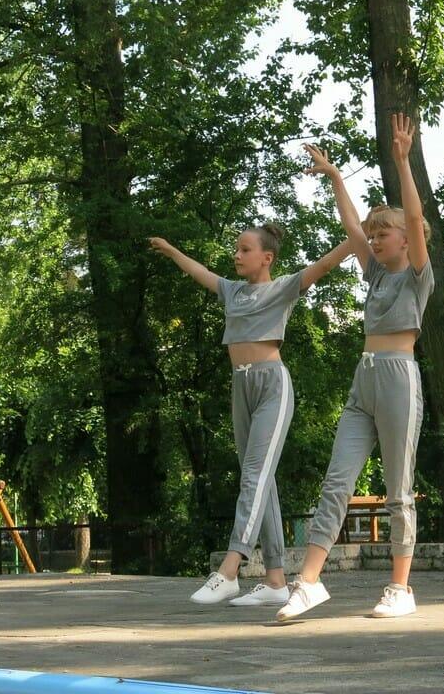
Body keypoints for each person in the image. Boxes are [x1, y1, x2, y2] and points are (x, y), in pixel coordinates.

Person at [277, 113, 433, 621]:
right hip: (364, 379)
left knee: (398, 491)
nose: (375, 240)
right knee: (336, 482)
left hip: (398, 378)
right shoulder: (375, 274)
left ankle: (400, 588)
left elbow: (414, 218)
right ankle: (308, 582)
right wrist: (336, 177)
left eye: (384, 233)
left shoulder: (416, 275)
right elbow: (349, 225)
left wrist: (403, 162)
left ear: (406, 240)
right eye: (374, 235)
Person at [149, 224, 349, 606]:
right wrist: (172, 250)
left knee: (254, 477)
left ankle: (230, 568)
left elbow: (324, 265)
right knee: (260, 480)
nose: (237, 255)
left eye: (245, 250)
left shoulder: (283, 288)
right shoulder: (233, 291)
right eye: (236, 249)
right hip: (240, 386)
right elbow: (200, 272)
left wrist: (357, 237)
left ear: (266, 258)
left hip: (272, 385)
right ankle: (275, 581)